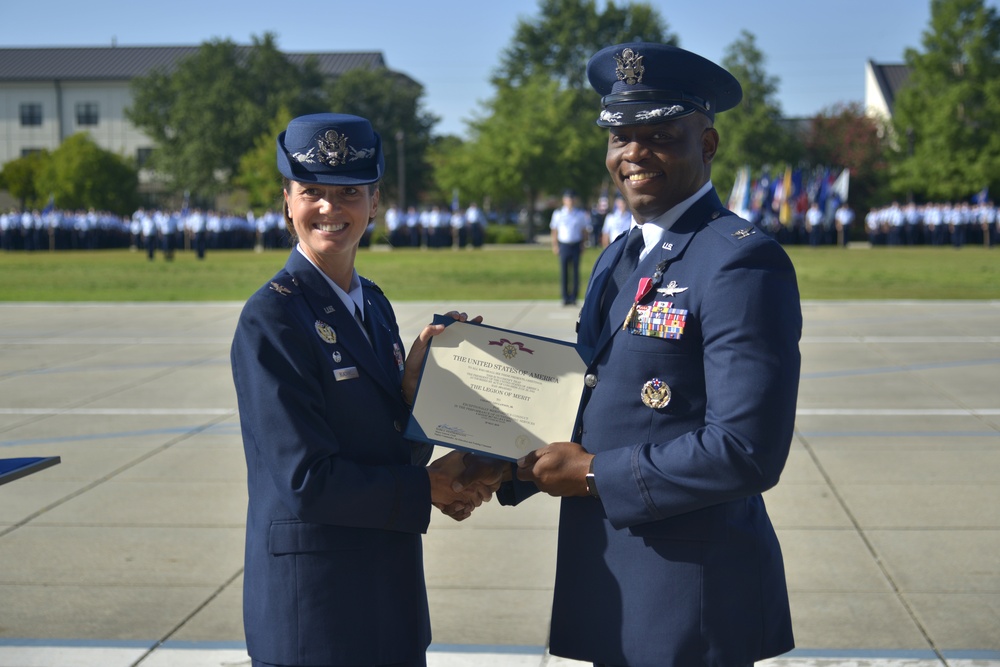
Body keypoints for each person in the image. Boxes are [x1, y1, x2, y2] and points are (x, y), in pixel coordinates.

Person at [482, 42, 802, 667]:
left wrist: (595, 472)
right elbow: (587, 391)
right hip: (612, 575)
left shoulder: (738, 259)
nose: (633, 153)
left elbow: (745, 450)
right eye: (619, 136)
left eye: (659, 134)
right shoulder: (621, 255)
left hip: (688, 591)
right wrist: (492, 452)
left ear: (706, 145)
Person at [230, 112, 497, 667]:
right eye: (312, 192)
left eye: (349, 192)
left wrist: (417, 394)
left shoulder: (371, 303)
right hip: (318, 609)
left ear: (375, 203)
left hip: (386, 594)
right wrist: (427, 488)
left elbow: (386, 444)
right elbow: (306, 480)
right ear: (287, 200)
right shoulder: (273, 317)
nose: (330, 208)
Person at [550, 189, 590, 305]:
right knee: (564, 272)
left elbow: (584, 231)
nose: (570, 201)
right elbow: (554, 230)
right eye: (568, 199)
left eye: (572, 199)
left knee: (575, 272)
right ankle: (565, 297)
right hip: (564, 244)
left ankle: (573, 297)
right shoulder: (558, 214)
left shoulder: (580, 214)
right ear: (564, 200)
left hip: (576, 244)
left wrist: (583, 244)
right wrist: (555, 245)